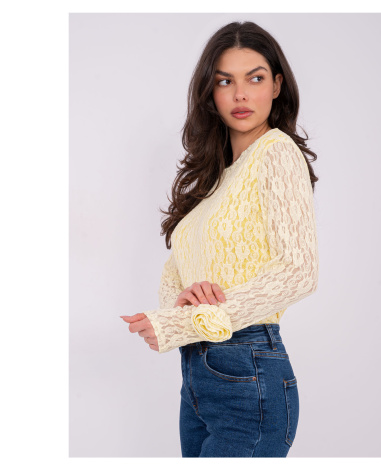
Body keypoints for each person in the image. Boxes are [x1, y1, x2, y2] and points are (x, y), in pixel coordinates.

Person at [120, 20, 319, 457]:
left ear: (277, 85)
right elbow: (175, 270)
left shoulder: (277, 152)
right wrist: (184, 300)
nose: (240, 94)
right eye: (225, 81)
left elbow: (299, 271)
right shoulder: (214, 179)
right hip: (198, 376)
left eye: (255, 78)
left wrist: (185, 322)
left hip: (248, 370)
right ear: (210, 92)